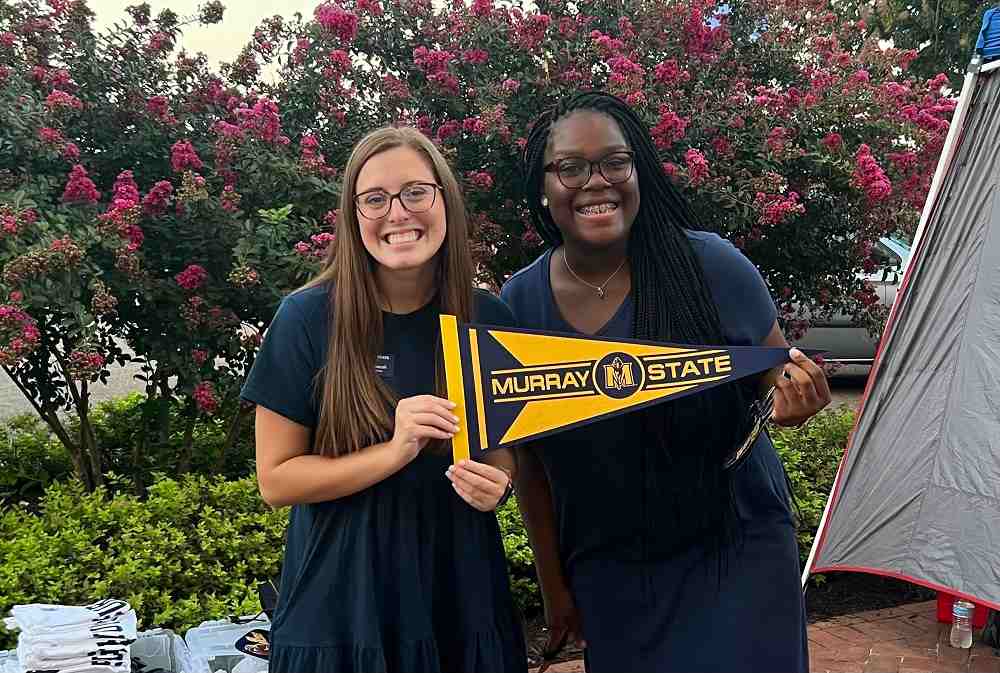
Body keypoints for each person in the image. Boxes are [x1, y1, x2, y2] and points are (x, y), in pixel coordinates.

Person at [501, 91, 831, 672]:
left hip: (735, 545)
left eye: (614, 162)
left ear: (639, 171)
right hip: (610, 561)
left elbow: (774, 376)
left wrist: (795, 397)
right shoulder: (519, 304)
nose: (595, 181)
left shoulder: (711, 267)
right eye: (570, 167)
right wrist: (554, 586)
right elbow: (529, 465)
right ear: (543, 187)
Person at [241, 126, 527, 673]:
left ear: (445, 200)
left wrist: (499, 482)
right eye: (374, 198)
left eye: (416, 192)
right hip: (343, 603)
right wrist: (394, 452)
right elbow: (277, 481)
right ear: (353, 215)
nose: (398, 213)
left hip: (460, 592)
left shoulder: (488, 320)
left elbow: (504, 448)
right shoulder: (307, 319)